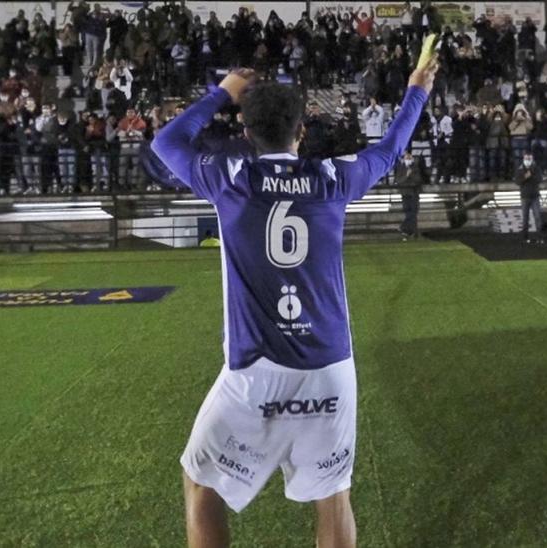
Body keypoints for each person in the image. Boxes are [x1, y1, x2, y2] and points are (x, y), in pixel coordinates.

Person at [152, 38, 437, 548]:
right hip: (329, 367)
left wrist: (222, 92)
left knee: (200, 484)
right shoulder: (332, 179)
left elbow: (167, 142)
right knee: (333, 496)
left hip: (255, 372)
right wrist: (416, 91)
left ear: (245, 131)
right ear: (302, 132)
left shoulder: (230, 177)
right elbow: (390, 148)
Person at [513, 152, 542, 243]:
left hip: (535, 196)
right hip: (525, 196)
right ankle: (524, 237)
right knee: (525, 218)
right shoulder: (520, 169)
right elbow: (518, 181)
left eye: (529, 159)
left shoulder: (536, 168)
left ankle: (539, 237)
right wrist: (526, 177)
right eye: (526, 159)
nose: (528, 161)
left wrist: (530, 176)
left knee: (537, 217)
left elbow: (539, 179)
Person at [394, 151, 423, 239]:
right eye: (407, 157)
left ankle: (405, 228)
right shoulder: (400, 167)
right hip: (405, 193)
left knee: (413, 212)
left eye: (409, 157)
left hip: (414, 192)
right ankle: (410, 231)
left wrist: (410, 176)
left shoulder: (415, 167)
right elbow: (399, 180)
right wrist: (407, 175)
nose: (408, 158)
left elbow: (418, 179)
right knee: (409, 212)